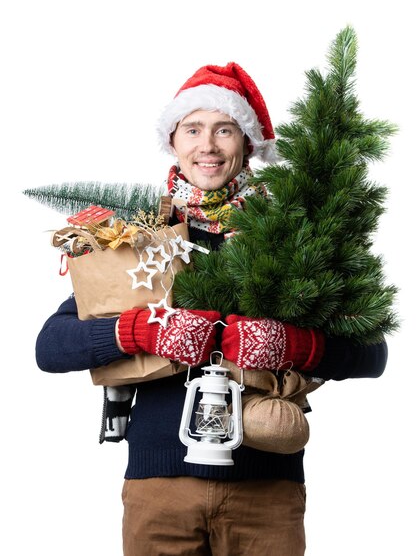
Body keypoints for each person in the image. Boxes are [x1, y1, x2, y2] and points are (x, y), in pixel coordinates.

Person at [36, 62, 388, 556]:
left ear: (246, 143)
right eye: (193, 129)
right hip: (159, 485)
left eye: (225, 129)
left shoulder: (293, 232)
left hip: (267, 486)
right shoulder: (139, 240)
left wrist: (296, 344)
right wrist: (142, 331)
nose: (208, 145)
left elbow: (373, 352)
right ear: (174, 141)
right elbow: (50, 346)